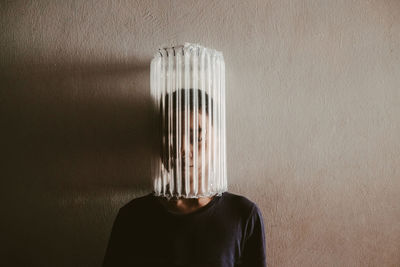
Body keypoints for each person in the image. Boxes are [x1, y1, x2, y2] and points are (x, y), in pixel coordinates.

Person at [103, 89, 267, 267]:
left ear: (217, 141)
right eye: (171, 136)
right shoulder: (132, 216)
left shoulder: (242, 215)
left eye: (196, 137)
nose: (182, 150)